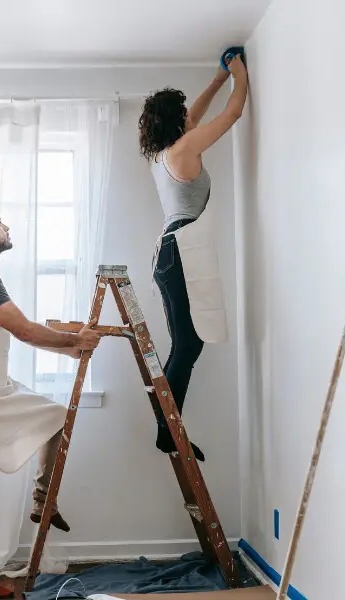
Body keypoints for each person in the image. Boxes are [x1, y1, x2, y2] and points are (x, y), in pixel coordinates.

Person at [0, 201, 102, 598]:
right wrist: (75, 343)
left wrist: (70, 348)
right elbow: (25, 330)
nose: (6, 226)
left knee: (56, 417)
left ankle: (43, 497)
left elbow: (22, 332)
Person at [138, 53, 248, 461]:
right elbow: (234, 114)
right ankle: (167, 426)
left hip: (169, 253)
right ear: (176, 121)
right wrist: (238, 74)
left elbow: (195, 119)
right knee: (187, 344)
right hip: (180, 250)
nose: (190, 118)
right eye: (183, 114)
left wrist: (218, 80)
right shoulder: (183, 149)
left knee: (186, 343)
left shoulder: (163, 154)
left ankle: (167, 422)